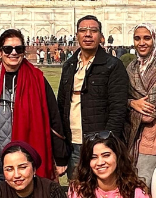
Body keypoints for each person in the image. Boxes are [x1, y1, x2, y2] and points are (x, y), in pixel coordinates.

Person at [0, 28, 66, 184]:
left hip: (29, 154)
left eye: (18, 49)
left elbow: (54, 117)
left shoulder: (37, 79)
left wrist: (60, 157)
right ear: (0, 52)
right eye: (8, 49)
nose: (13, 53)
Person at [55, 15, 131, 175]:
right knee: (77, 193)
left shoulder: (112, 66)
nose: (88, 34)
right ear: (76, 35)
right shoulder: (69, 65)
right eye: (83, 30)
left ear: (101, 36)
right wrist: (61, 148)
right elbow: (61, 105)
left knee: (104, 192)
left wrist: (107, 144)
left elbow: (118, 109)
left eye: (93, 30)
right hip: (74, 143)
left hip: (100, 145)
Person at [126, 23, 156, 187]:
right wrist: (131, 102)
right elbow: (122, 98)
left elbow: (149, 113)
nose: (141, 43)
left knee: (144, 187)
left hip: (150, 140)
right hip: (130, 139)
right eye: (137, 38)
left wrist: (126, 106)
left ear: (154, 40)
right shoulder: (131, 67)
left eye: (146, 38)